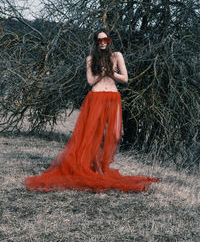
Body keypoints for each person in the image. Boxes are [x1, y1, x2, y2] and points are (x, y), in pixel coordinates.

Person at [24, 30, 159, 193]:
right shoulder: (90, 59)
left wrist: (110, 72)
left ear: (109, 41)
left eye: (106, 39)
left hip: (112, 98)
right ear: (95, 41)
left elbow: (125, 78)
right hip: (96, 97)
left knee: (114, 135)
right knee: (95, 134)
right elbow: (90, 81)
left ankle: (101, 166)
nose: (103, 42)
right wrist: (102, 73)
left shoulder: (117, 56)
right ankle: (98, 170)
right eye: (99, 40)